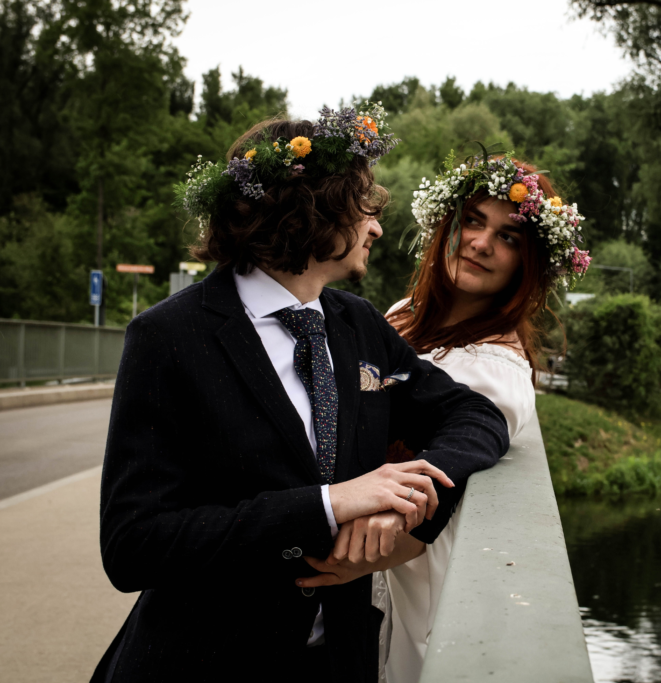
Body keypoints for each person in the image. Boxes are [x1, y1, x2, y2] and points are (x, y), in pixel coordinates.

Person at [90, 107, 510, 682]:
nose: (377, 227)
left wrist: (408, 493)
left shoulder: (359, 326)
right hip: (199, 663)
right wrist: (329, 504)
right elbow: (133, 545)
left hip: (337, 662)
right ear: (316, 209)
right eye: (365, 207)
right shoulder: (168, 338)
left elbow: (474, 415)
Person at [295, 151, 590, 682]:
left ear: (527, 265)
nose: (480, 242)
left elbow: (437, 484)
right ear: (447, 227)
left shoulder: (496, 370)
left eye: (508, 238)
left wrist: (351, 560)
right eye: (473, 221)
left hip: (404, 569)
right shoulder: (399, 316)